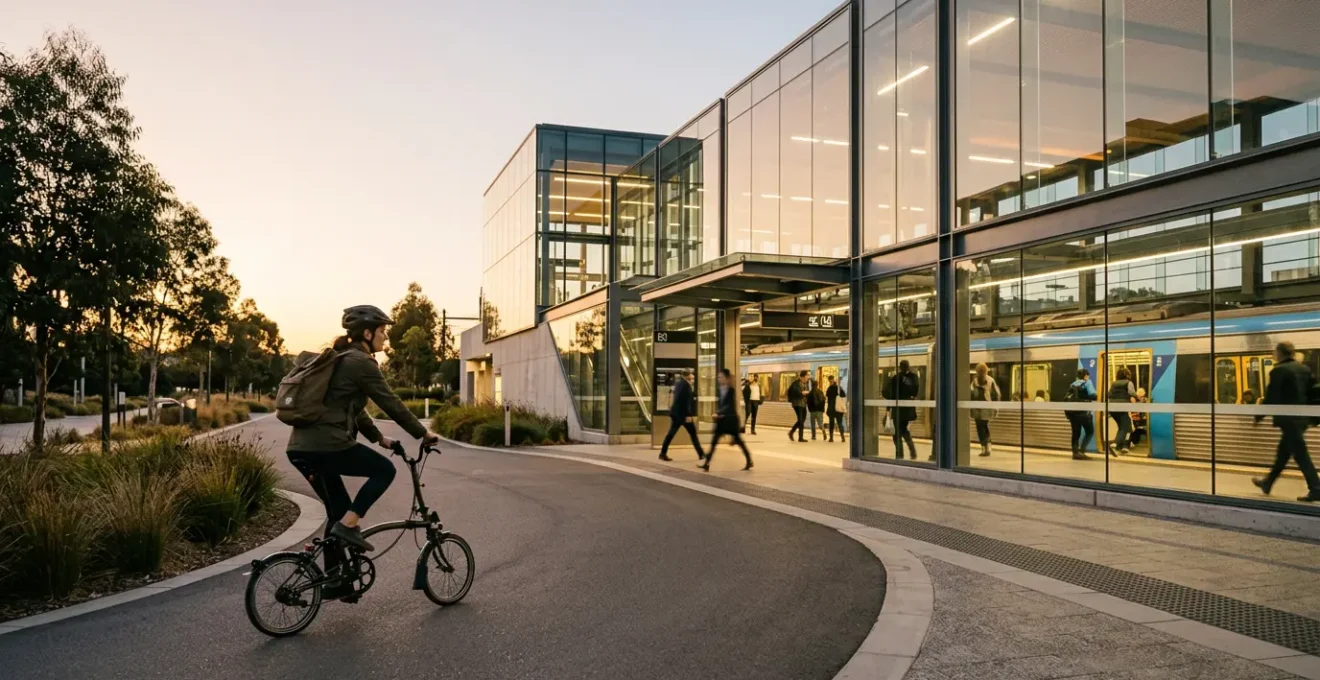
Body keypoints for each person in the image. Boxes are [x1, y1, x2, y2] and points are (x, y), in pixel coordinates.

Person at [286, 305, 440, 601]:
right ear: (367, 333)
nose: (386, 338)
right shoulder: (361, 363)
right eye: (383, 332)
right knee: (384, 471)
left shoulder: (342, 360)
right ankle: (349, 526)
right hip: (327, 446)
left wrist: (378, 438)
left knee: (338, 511)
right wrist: (423, 433)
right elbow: (390, 402)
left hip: (301, 448)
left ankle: (336, 581)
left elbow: (352, 410)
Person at [1252, 342, 1320, 502]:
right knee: (1283, 453)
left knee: (1301, 454)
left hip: (1288, 420)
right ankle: (1267, 483)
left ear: (1280, 353)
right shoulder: (1304, 369)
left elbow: (1271, 397)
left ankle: (1316, 488)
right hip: (1302, 419)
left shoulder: (1279, 370)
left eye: (1275, 352)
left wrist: (1258, 416)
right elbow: (1313, 392)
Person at [701, 368, 753, 472]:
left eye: (721, 377)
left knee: (739, 442)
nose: (719, 379)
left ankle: (749, 460)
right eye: (718, 377)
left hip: (731, 421)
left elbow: (729, 406)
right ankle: (706, 463)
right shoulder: (720, 389)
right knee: (714, 442)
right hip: (721, 422)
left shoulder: (731, 390)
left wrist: (718, 413)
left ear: (726, 378)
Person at [659, 370, 705, 462]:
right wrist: (688, 415)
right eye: (691, 374)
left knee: (670, 434)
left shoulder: (678, 383)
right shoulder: (687, 386)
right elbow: (685, 402)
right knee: (693, 434)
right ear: (687, 375)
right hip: (683, 415)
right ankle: (701, 454)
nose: (692, 376)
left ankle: (663, 453)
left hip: (676, 414)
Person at [885, 360, 919, 460]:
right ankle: (912, 451)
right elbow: (915, 392)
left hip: (897, 409)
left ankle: (900, 455)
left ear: (900, 367)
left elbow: (890, 394)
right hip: (907, 410)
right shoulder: (913, 377)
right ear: (908, 366)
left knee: (898, 433)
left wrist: (888, 409)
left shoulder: (896, 377)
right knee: (903, 430)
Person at [1064, 368, 1098, 460]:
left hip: (1072, 413)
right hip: (1084, 412)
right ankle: (1081, 451)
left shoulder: (1072, 384)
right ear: (1086, 375)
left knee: (1075, 433)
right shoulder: (1087, 382)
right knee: (1089, 431)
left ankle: (1075, 453)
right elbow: (1093, 395)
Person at [969, 363, 1000, 457]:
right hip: (985, 408)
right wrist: (995, 408)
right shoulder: (990, 380)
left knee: (981, 427)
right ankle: (987, 445)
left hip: (978, 408)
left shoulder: (975, 381)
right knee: (983, 427)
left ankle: (985, 446)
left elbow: (971, 394)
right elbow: (996, 395)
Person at [1107, 368, 1137, 456]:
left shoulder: (1113, 383)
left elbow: (1109, 394)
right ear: (1128, 375)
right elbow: (1132, 393)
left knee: (1123, 427)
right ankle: (1117, 444)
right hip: (1122, 407)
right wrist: (1138, 397)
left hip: (1112, 408)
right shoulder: (1128, 382)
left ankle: (1124, 446)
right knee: (1127, 428)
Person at [787, 370, 808, 442]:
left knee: (802, 419)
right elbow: (794, 391)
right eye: (806, 375)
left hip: (803, 404)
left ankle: (791, 432)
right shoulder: (796, 383)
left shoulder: (805, 384)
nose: (808, 377)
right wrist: (802, 393)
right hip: (797, 403)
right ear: (802, 376)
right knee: (801, 419)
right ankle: (800, 437)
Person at [826, 375, 847, 443]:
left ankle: (831, 438)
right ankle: (842, 437)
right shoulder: (838, 388)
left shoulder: (829, 388)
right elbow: (844, 396)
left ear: (830, 380)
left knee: (831, 423)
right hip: (838, 408)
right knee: (840, 423)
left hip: (832, 408)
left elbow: (828, 398)